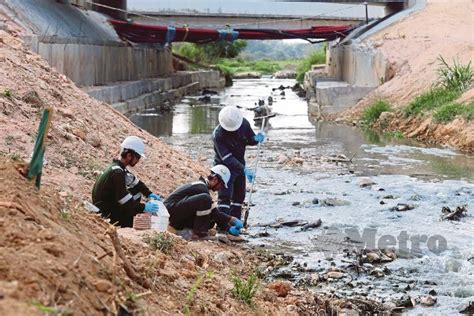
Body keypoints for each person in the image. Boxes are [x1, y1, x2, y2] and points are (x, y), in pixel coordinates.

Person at [92, 136, 161, 227]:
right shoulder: (117, 173)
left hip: (104, 206)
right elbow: (125, 201)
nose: (138, 161)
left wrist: (149, 193)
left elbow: (136, 183)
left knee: (137, 192)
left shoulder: (117, 168)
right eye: (137, 157)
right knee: (132, 202)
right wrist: (144, 207)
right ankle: (127, 226)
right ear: (129, 155)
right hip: (105, 213)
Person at [212, 106, 265, 220]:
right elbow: (227, 158)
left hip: (240, 163)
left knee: (239, 196)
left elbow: (249, 139)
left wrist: (256, 139)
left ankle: (236, 223)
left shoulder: (243, 124)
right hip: (223, 167)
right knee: (225, 197)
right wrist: (244, 169)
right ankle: (223, 228)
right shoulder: (218, 134)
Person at [164, 165, 243, 240]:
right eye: (221, 185)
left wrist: (227, 227)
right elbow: (215, 213)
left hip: (173, 211)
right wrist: (232, 219)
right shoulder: (201, 188)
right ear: (215, 179)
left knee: (210, 221)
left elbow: (213, 214)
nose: (220, 188)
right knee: (206, 199)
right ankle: (199, 234)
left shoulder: (202, 186)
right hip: (170, 210)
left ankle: (182, 230)